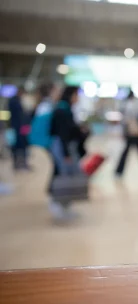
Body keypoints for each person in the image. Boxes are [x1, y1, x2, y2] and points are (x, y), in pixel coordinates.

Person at [49, 86, 83, 219]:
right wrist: (66, 154)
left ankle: (65, 206)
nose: (78, 98)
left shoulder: (66, 108)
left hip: (64, 147)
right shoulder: (62, 110)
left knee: (66, 175)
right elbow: (63, 133)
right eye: (76, 95)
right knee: (63, 176)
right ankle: (58, 205)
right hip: (62, 148)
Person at [8, 86, 30, 170]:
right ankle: (18, 164)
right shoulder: (14, 101)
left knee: (20, 145)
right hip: (17, 127)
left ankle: (21, 163)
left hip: (20, 127)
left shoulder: (15, 100)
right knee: (17, 145)